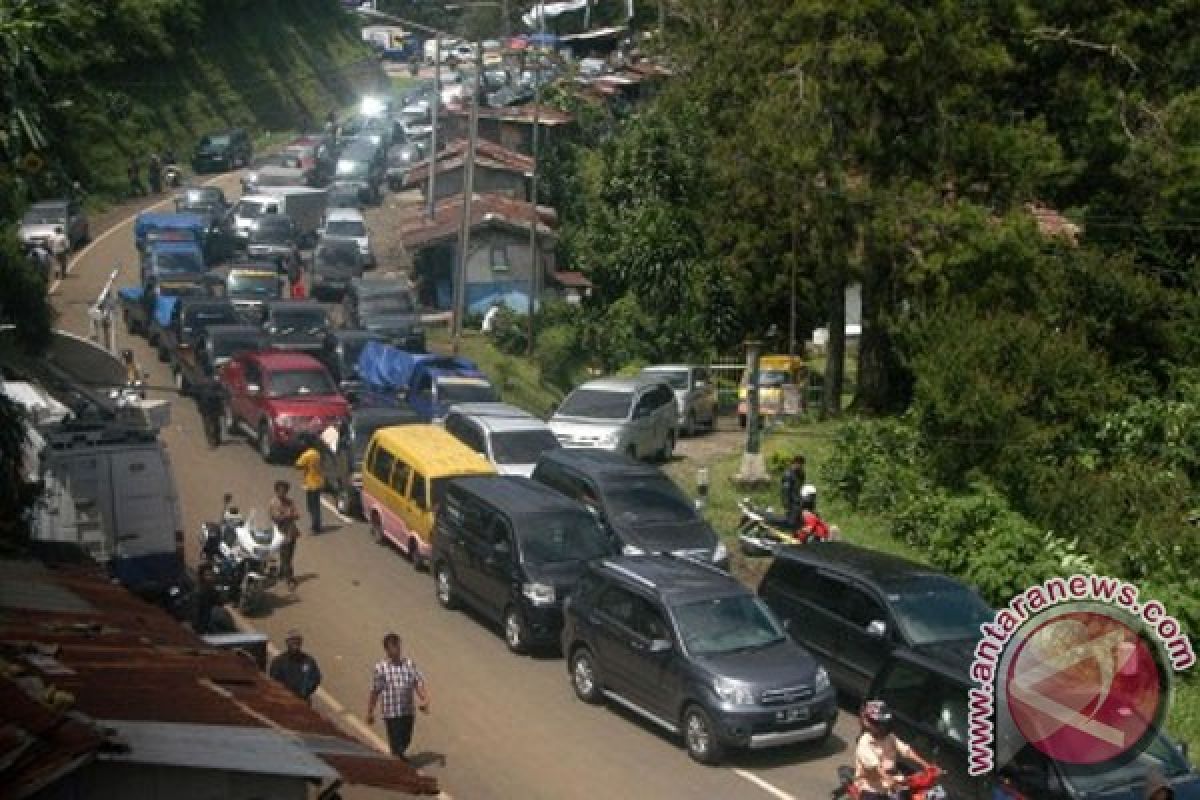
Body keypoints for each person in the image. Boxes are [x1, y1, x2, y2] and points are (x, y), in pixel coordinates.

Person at [366, 633, 430, 761]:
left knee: (406, 739)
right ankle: (397, 764)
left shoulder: (409, 664)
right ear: (387, 650)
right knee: (396, 743)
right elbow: (375, 691)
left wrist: (424, 698)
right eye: (393, 647)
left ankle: (399, 755)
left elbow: (417, 682)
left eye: (398, 646)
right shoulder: (381, 668)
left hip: (407, 710)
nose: (396, 650)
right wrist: (370, 712)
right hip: (392, 713)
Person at [854, 700, 932, 800]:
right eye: (880, 724)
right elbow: (877, 769)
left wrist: (926, 765)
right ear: (870, 724)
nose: (883, 727)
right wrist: (890, 781)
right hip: (871, 787)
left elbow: (906, 750)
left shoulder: (889, 736)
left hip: (894, 779)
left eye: (885, 723)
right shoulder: (864, 744)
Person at [269, 629, 322, 703]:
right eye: (292, 640)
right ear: (287, 642)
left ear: (301, 642)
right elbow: (273, 681)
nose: (295, 643)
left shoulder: (308, 660)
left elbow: (316, 677)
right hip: (285, 701)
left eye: (297, 640)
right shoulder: (279, 661)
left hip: (303, 701)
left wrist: (305, 691)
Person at [269, 480, 301, 591]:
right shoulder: (274, 503)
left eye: (285, 490)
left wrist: (287, 515)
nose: (283, 493)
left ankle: (282, 573)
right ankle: (290, 579)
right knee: (286, 557)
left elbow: (297, 515)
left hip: (291, 533)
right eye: (280, 490)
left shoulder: (290, 502)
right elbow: (276, 518)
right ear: (276, 491)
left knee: (288, 556)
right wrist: (288, 515)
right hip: (281, 534)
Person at [294, 435, 324, 533]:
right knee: (316, 505)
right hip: (319, 482)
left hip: (311, 483)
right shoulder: (316, 453)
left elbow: (298, 465)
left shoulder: (306, 455)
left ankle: (315, 526)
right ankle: (317, 524)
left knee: (311, 506)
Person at [190, 563, 231, 634]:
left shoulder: (211, 589)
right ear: (202, 577)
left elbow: (220, 601)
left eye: (212, 574)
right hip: (203, 626)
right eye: (207, 575)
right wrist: (198, 627)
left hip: (209, 623)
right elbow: (195, 612)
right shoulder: (199, 592)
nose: (211, 577)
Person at [780, 454, 806, 525]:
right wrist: (786, 505)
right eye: (798, 463)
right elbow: (785, 491)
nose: (800, 466)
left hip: (798, 502)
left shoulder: (801, 474)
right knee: (790, 522)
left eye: (801, 464)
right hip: (791, 503)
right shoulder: (788, 475)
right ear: (794, 463)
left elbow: (801, 487)